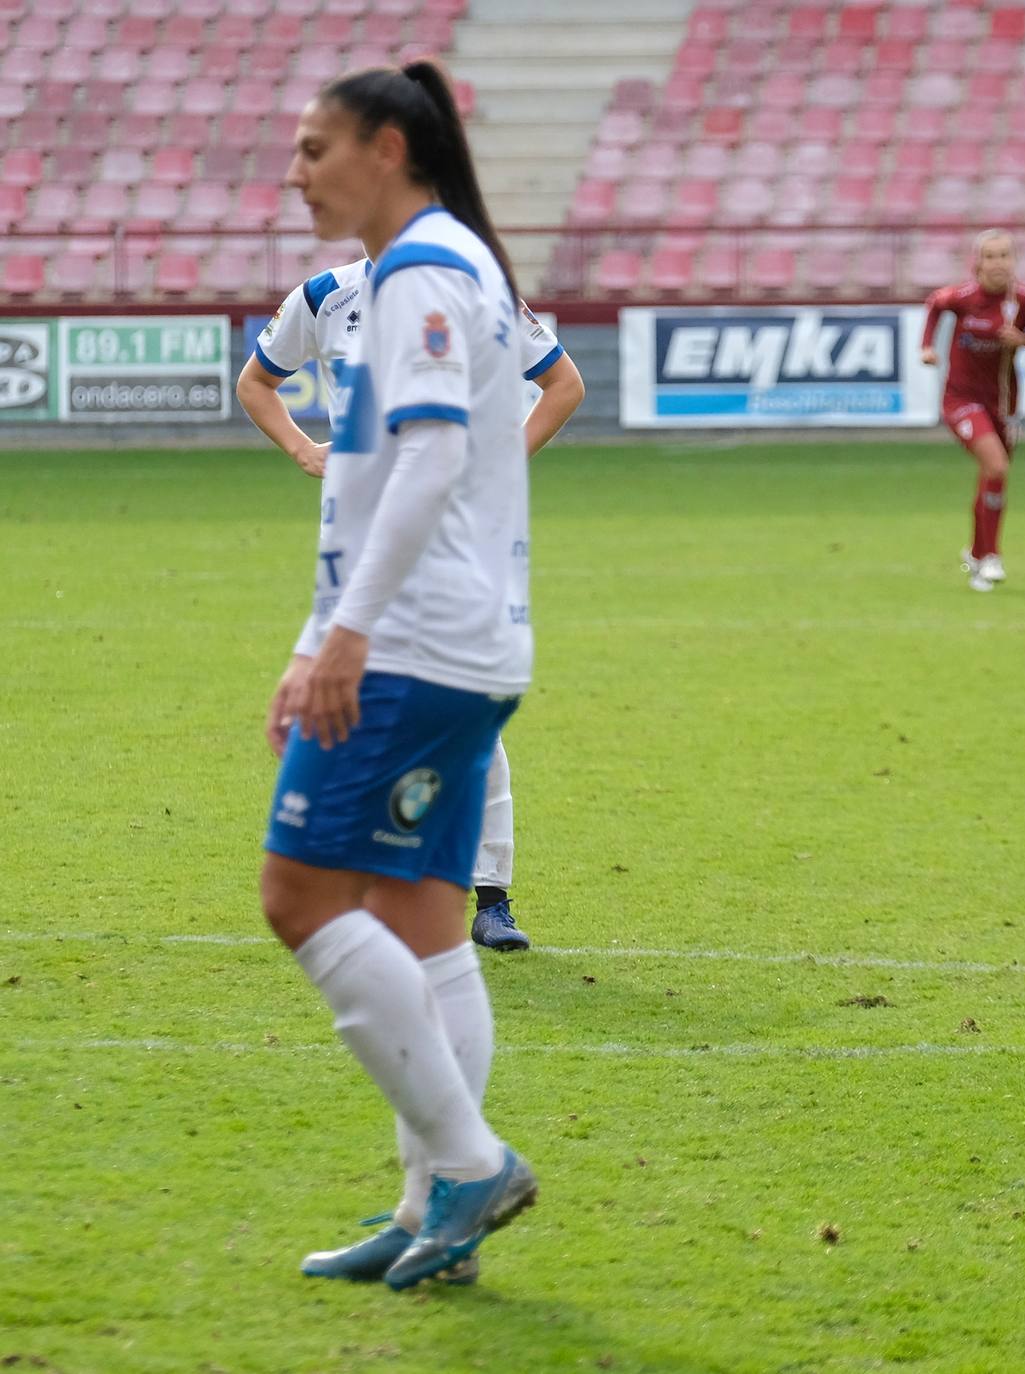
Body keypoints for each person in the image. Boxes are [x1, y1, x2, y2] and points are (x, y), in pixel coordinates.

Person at [261, 60, 540, 1289]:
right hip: (458, 643)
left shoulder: (427, 269)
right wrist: (309, 633)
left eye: (315, 148)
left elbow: (426, 462)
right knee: (424, 930)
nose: (297, 172)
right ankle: (436, 1212)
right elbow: (379, 478)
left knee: (300, 898)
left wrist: (349, 635)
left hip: (418, 646)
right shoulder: (426, 268)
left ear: (386, 145)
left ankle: (470, 1164)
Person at [238, 251, 584, 954]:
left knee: (467, 706)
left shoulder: (476, 287)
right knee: (353, 697)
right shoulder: (324, 296)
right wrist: (304, 450)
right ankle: (371, 876)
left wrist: (498, 468)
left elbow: (563, 384)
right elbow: (257, 383)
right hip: (361, 537)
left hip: (457, 537)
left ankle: (490, 896)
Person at [920, 231, 1025, 591]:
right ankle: (991, 555)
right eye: (990, 256)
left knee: (993, 477)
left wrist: (1023, 340)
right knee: (995, 465)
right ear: (977, 263)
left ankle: (976, 554)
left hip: (1004, 404)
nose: (998, 263)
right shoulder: (962, 298)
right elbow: (935, 304)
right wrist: (927, 347)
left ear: (1014, 260)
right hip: (961, 400)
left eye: (1004, 255)